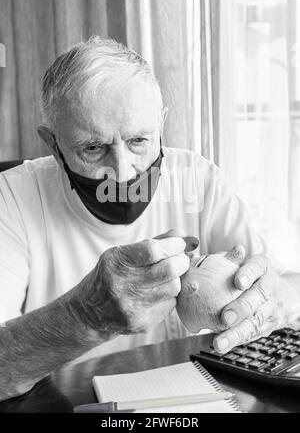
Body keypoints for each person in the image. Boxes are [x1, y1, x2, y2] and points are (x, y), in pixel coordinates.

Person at [0, 36, 300, 401]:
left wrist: (277, 297)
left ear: (162, 123)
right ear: (53, 143)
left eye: (140, 140)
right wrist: (85, 316)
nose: (123, 172)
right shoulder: (11, 197)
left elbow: (281, 283)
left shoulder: (198, 179)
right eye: (92, 148)